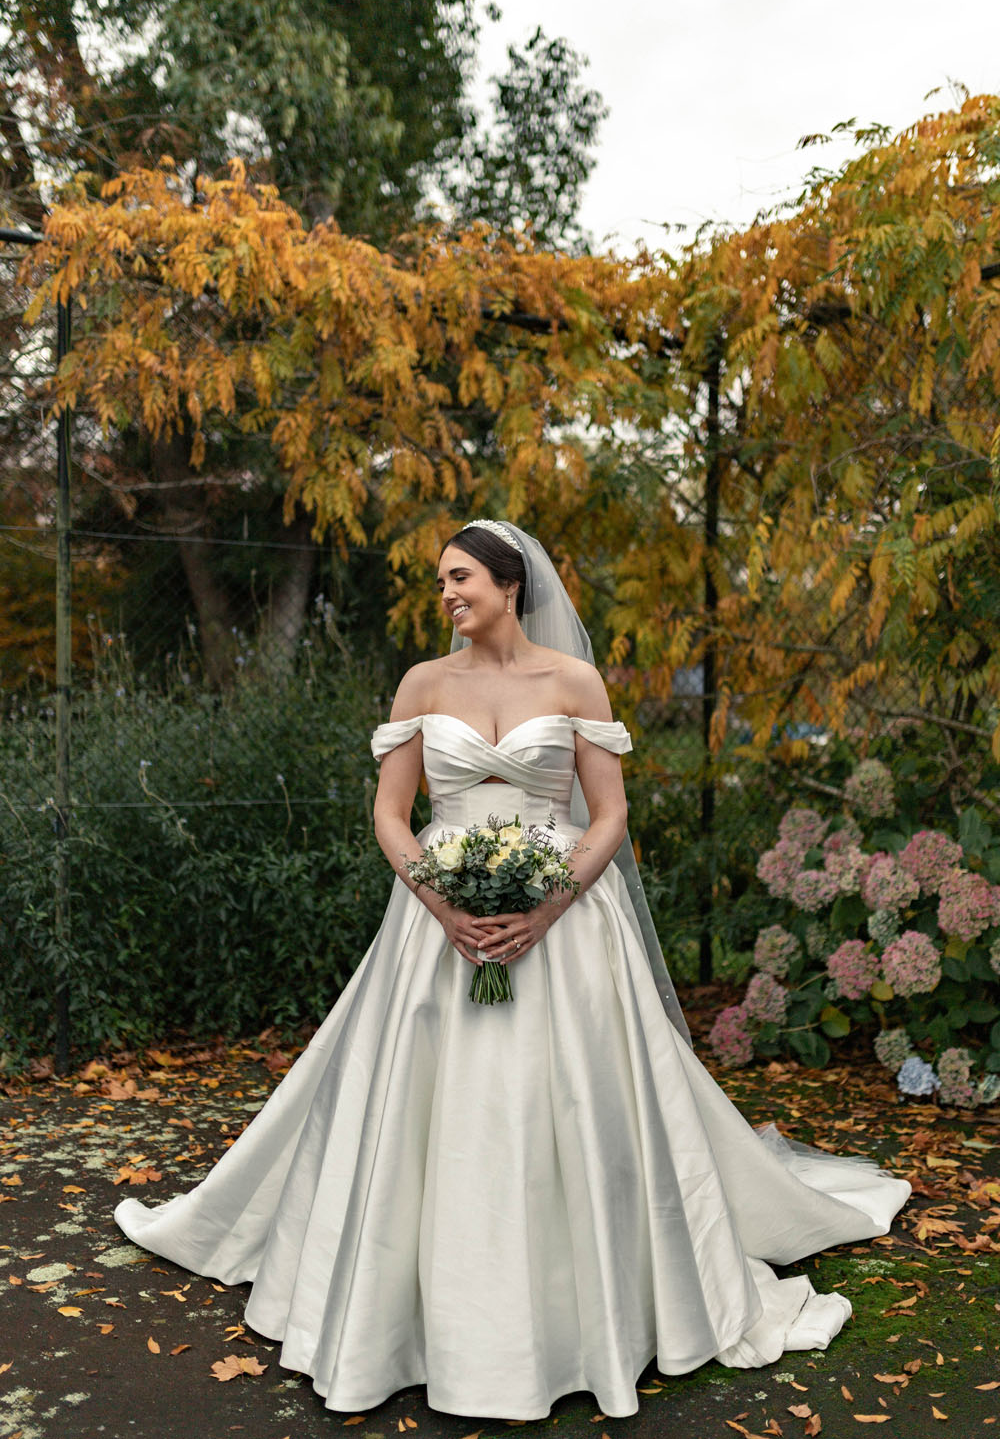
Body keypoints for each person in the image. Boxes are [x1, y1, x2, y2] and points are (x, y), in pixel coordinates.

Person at [114, 519, 910, 1421]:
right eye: (441, 582)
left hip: (564, 919)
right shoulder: (423, 683)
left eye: (460, 578)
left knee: (571, 1098)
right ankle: (405, 1311)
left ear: (509, 584)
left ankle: (598, 1302)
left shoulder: (573, 682)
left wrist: (547, 906)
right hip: (438, 920)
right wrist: (443, 903)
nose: (447, 595)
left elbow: (608, 815)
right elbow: (390, 814)